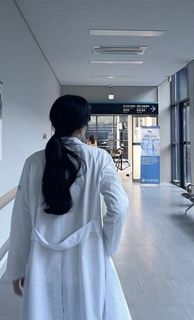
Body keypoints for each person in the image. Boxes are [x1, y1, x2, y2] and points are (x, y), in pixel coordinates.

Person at [6, 95, 131, 320]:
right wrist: (106, 246)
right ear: (83, 126)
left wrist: (16, 267)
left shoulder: (34, 162)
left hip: (41, 261)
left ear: (53, 123)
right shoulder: (99, 158)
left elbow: (21, 221)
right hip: (88, 258)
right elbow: (119, 206)